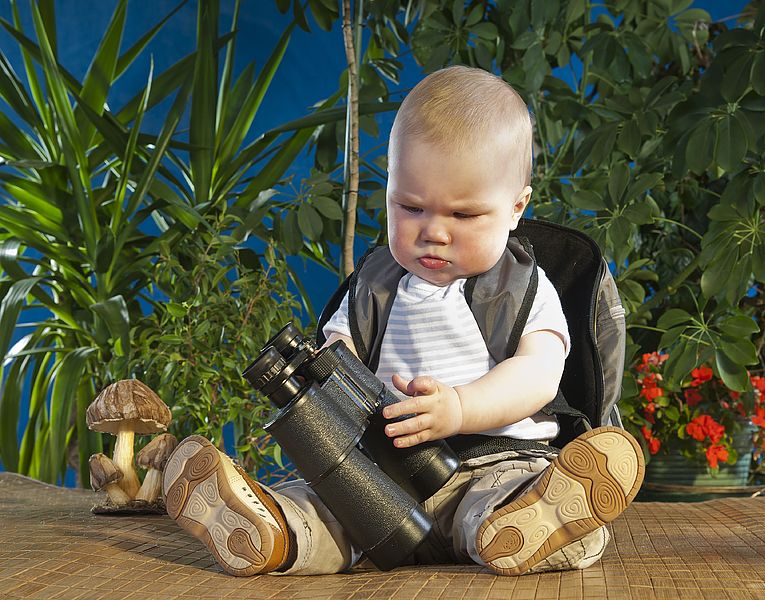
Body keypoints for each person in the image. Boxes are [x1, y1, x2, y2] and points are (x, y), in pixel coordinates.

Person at [163, 65, 643, 577]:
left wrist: (458, 409)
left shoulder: (522, 286)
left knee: (508, 496)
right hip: (380, 477)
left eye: (463, 216)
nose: (433, 232)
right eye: (410, 207)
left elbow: (540, 374)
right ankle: (274, 531)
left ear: (515, 208)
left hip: (494, 461)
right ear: (388, 191)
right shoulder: (375, 283)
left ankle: (531, 524)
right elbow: (336, 359)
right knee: (328, 511)